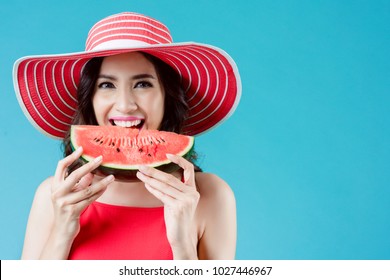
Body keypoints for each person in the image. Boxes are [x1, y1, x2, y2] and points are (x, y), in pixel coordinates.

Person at [14, 12, 241, 260]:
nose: (125, 105)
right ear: (90, 99)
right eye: (107, 85)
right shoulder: (56, 194)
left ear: (168, 97)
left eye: (143, 84)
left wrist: (182, 244)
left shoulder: (211, 196)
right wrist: (61, 232)